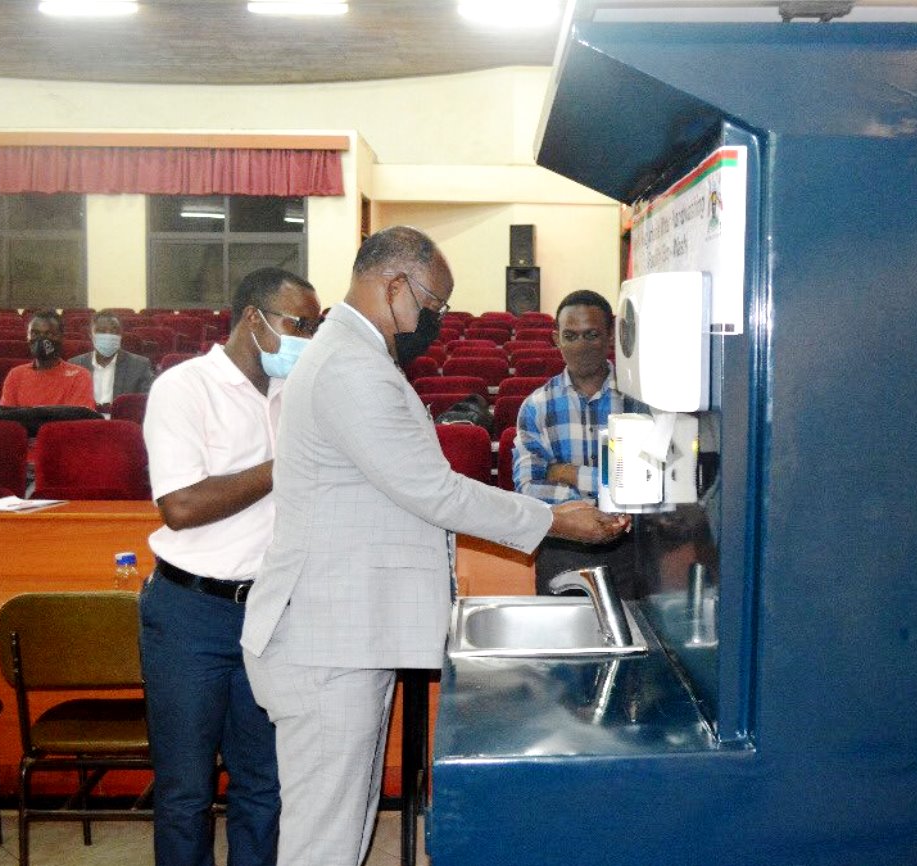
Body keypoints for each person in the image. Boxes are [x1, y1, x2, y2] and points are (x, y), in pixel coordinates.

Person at [240, 226, 628, 866]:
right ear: (394, 285)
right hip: (326, 640)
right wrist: (558, 521)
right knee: (323, 843)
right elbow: (434, 492)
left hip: (344, 633)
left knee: (344, 830)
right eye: (434, 304)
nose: (437, 321)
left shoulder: (357, 356)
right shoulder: (348, 367)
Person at [140, 267, 321, 866]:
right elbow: (181, 506)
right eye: (298, 325)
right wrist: (283, 463)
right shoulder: (183, 388)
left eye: (313, 328)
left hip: (270, 613)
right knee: (186, 793)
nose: (306, 339)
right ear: (254, 319)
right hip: (190, 613)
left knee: (263, 787)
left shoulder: (292, 393)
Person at [513, 289, 643, 595]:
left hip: (631, 550)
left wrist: (567, 473)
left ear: (611, 336)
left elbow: (648, 485)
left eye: (592, 334)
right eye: (570, 336)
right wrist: (606, 497)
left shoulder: (638, 401)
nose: (581, 346)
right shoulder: (536, 406)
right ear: (556, 338)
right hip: (561, 549)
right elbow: (530, 488)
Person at [0, 310, 96, 410]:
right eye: (35, 334)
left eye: (49, 334)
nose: (41, 340)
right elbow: (7, 419)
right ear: (28, 337)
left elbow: (78, 420)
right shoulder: (15, 375)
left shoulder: (79, 376)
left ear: (61, 337)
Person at [68, 309, 155, 410]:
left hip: (121, 423)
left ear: (121, 335)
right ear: (91, 335)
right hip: (86, 423)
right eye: (101, 331)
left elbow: (146, 404)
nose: (108, 335)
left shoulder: (139, 365)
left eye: (114, 331)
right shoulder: (76, 365)